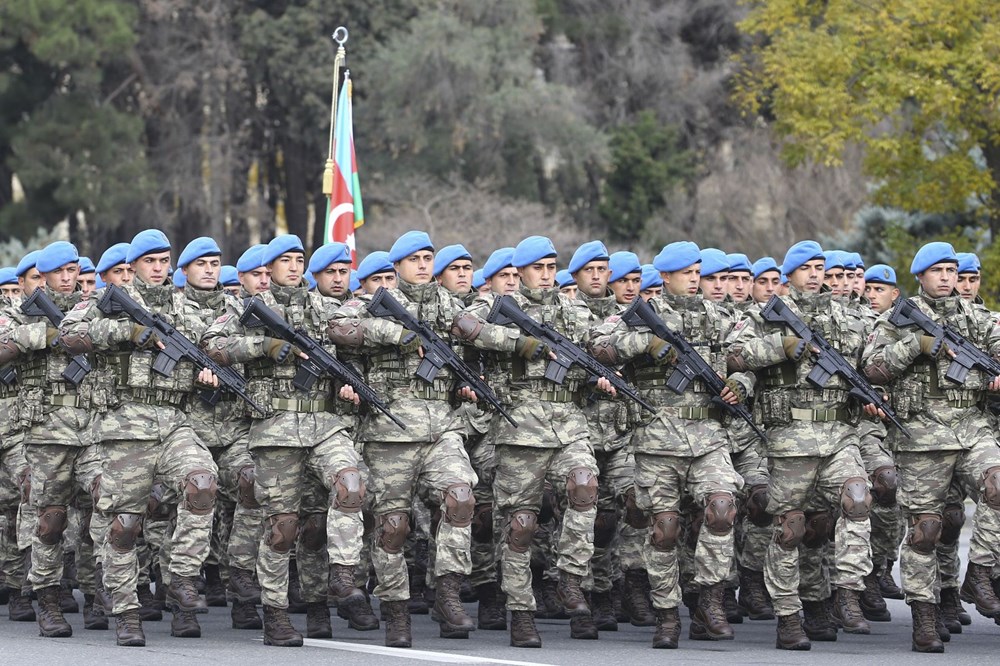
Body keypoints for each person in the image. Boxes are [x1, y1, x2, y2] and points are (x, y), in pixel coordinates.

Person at [203, 236, 374, 647]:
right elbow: (213, 347)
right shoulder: (247, 309)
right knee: (283, 528)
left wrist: (353, 387)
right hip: (275, 429)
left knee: (350, 484)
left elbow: (355, 348)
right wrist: (265, 345)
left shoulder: (327, 308)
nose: (294, 267)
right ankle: (276, 613)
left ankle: (343, 573)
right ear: (269, 266)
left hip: (325, 423)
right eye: (285, 261)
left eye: (299, 260)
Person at [59, 229, 221, 647]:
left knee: (203, 480)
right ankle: (127, 610)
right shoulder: (107, 301)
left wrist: (209, 377)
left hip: (172, 421)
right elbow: (69, 334)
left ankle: (183, 574)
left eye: (164, 261)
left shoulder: (186, 306)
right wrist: (126, 334)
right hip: (124, 425)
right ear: (133, 268)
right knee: (125, 526)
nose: (158, 268)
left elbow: (217, 346)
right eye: (150, 262)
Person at [452, 235, 611, 648]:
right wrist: (521, 342)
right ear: (519, 271)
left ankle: (571, 577)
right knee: (520, 526)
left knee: (585, 485)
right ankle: (521, 611)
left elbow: (602, 343)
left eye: (550, 267)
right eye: (537, 267)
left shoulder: (572, 307)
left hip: (569, 424)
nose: (545, 275)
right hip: (520, 431)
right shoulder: (495, 304)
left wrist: (602, 370)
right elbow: (465, 328)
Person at [590, 240, 747, 649]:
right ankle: (665, 613)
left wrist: (740, 385)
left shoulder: (720, 315)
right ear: (665, 277)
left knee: (721, 509)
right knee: (664, 530)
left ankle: (709, 600)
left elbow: (744, 357)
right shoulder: (642, 315)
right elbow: (601, 347)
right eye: (687, 272)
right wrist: (647, 343)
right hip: (658, 441)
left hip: (709, 438)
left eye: (698, 271)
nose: (695, 279)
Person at [328, 231, 479, 648]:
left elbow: (480, 331)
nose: (423, 265)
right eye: (414, 259)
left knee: (461, 497)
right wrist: (398, 335)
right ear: (396, 266)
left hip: (441, 429)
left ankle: (447, 592)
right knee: (392, 527)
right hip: (388, 434)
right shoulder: (374, 302)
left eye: (428, 257)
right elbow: (338, 327)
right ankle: (395, 610)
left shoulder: (448, 302)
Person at [727, 240, 875, 650]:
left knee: (858, 499)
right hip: (788, 441)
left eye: (820, 266)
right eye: (806, 266)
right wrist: (785, 346)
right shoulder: (767, 316)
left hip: (838, 436)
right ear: (789, 273)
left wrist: (873, 394)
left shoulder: (847, 314)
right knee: (792, 530)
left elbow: (871, 363)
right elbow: (736, 357)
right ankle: (790, 615)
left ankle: (847, 591)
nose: (815, 273)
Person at [862, 241, 1000, 652]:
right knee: (926, 531)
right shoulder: (896, 321)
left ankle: (979, 571)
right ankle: (923, 615)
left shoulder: (977, 317)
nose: (946, 278)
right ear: (920, 277)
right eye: (937, 271)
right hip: (920, 439)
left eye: (951, 271)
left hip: (973, 428)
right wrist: (916, 345)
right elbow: (871, 369)